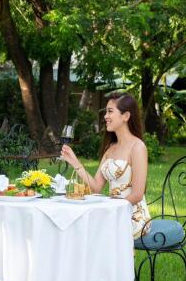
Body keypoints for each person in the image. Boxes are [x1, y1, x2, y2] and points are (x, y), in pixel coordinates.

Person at [60, 92, 151, 238]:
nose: (105, 116)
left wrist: (109, 210)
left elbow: (137, 194)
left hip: (134, 217)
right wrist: (74, 162)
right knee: (76, 227)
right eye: (106, 112)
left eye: (110, 111)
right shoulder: (110, 148)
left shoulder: (137, 147)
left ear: (126, 116)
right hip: (112, 213)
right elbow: (96, 187)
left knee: (93, 233)